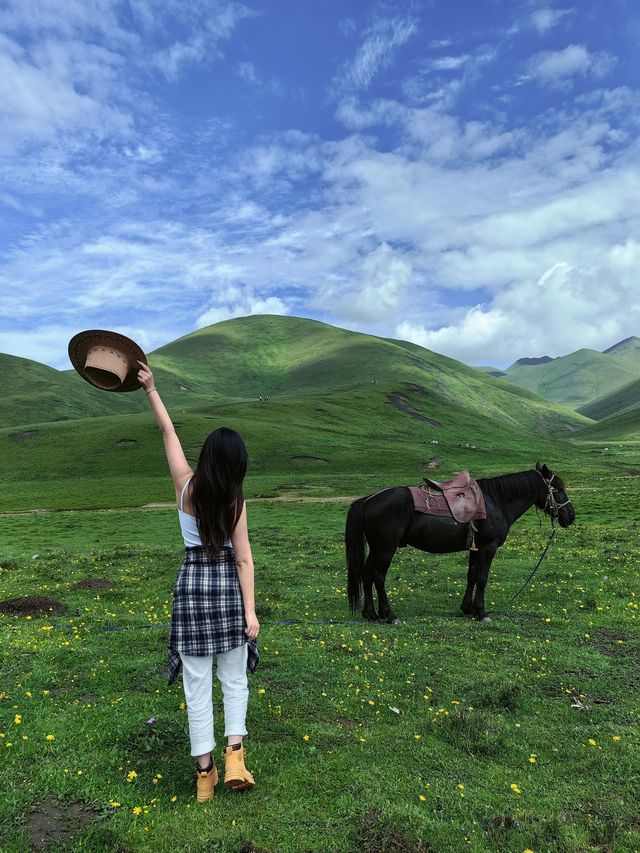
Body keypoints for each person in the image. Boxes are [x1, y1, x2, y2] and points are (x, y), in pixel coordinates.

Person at [137, 360, 259, 802]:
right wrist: (250, 613)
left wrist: (151, 388)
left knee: (196, 684)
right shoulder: (235, 503)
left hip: (191, 591)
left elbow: (168, 434)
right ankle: (235, 757)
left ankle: (203, 775)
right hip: (227, 593)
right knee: (234, 680)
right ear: (236, 467)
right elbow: (243, 561)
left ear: (206, 458)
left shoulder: (185, 486)